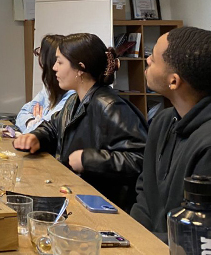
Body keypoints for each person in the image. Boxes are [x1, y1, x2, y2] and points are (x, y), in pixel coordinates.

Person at [14, 33, 148, 211]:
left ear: (80, 69)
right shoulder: (74, 100)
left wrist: (89, 159)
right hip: (77, 195)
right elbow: (53, 127)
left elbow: (140, 159)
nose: (54, 68)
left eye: (60, 62)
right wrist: (36, 137)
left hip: (104, 206)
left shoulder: (110, 106)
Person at [130, 27, 211, 241]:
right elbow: (145, 191)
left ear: (173, 81)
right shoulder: (163, 121)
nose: (147, 60)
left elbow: (199, 233)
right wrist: (133, 237)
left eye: (154, 59)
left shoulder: (207, 145)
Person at [16, 34, 75, 133]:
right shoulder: (48, 88)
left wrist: (39, 119)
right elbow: (23, 113)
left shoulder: (72, 95)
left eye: (60, 62)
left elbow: (43, 132)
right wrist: (32, 121)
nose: (55, 67)